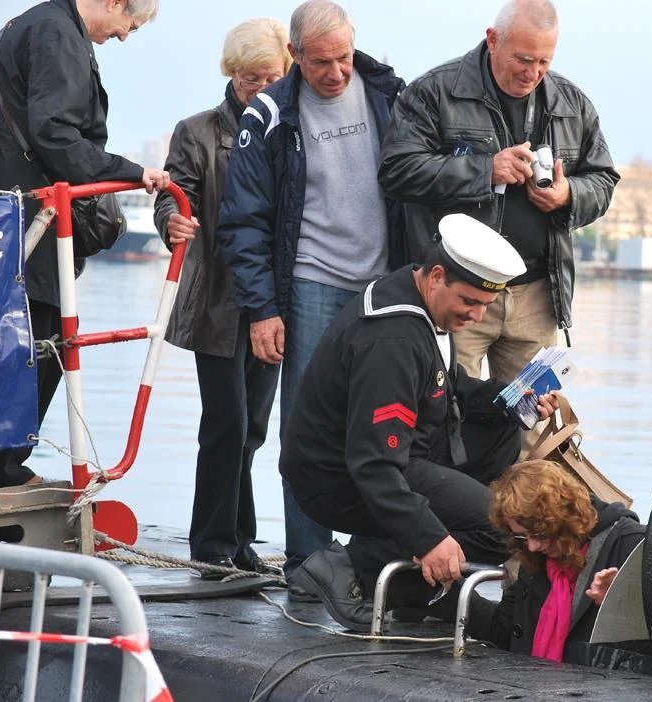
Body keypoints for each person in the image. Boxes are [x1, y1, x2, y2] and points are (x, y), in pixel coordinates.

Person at [281, 214, 560, 630]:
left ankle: (412, 580)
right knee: (502, 525)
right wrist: (428, 538)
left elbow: (448, 385)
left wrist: (511, 397)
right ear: (436, 276)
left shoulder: (419, 300)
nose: (478, 316)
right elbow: (373, 463)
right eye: (469, 302)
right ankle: (353, 569)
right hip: (340, 478)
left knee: (500, 423)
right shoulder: (392, 340)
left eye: (486, 305)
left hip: (398, 451)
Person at [216, 0, 404, 589]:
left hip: (382, 282)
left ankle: (372, 555)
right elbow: (242, 219)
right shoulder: (269, 114)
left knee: (384, 420)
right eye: (322, 62)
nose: (336, 72)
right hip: (310, 281)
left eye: (344, 58)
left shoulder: (389, 94)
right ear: (296, 56)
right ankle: (307, 560)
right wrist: (262, 309)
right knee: (306, 424)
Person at [0, 0, 170, 491]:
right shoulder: (58, 34)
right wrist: (126, 172)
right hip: (28, 221)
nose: (125, 36)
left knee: (5, 345)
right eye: (130, 23)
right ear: (115, 2)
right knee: (45, 339)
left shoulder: (28, 24)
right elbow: (53, 131)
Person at [378, 0, 619, 394]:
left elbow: (604, 180)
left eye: (544, 61)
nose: (534, 73)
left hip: (537, 296)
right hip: (457, 292)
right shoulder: (434, 91)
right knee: (449, 418)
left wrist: (568, 195)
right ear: (492, 40)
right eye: (524, 59)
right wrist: (484, 171)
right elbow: (396, 171)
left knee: (533, 422)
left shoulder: (572, 104)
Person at [152, 19, 292, 579]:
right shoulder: (196, 130)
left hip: (272, 301)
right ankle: (211, 540)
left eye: (273, 77)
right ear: (232, 74)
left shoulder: (291, 128)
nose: (262, 87)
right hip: (216, 298)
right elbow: (174, 192)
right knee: (226, 421)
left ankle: (239, 537)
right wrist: (171, 224)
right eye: (252, 77)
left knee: (254, 427)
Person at [466, 459, 645, 664]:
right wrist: (445, 590)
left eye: (539, 533)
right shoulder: (537, 554)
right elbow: (503, 631)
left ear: (562, 517)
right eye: (523, 536)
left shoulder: (629, 544)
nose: (532, 545)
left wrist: (621, 602)